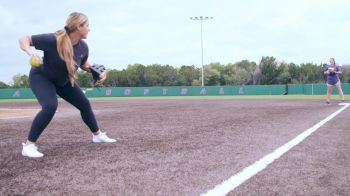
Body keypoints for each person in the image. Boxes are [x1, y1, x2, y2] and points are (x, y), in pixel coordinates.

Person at [18, 12, 116, 158]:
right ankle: (28, 146)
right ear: (78, 27)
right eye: (87, 25)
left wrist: (97, 72)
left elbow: (83, 64)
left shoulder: (83, 47)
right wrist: (30, 52)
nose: (89, 29)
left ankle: (97, 135)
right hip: (42, 77)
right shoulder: (53, 39)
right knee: (50, 106)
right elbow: (23, 39)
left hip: (63, 80)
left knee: (84, 103)